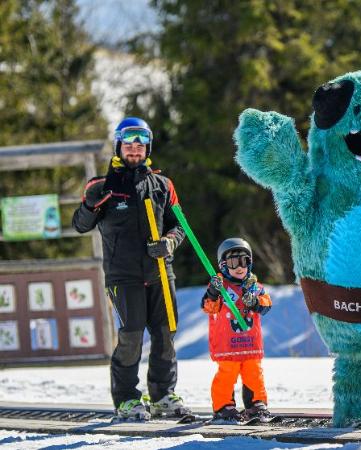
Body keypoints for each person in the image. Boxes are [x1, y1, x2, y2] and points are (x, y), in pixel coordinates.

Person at [72, 117, 188, 420]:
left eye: (140, 144)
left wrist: (169, 243)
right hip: (123, 276)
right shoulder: (103, 185)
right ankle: (126, 399)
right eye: (128, 144)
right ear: (119, 147)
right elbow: (81, 225)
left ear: (147, 147)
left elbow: (180, 227)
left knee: (165, 335)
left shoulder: (163, 185)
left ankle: (162, 395)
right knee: (132, 335)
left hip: (161, 271)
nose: (134, 149)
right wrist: (88, 206)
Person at [202, 238, 273, 422]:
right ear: (224, 265)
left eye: (244, 261)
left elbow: (266, 305)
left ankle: (256, 404)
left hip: (250, 343)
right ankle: (223, 406)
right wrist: (213, 292)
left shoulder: (254, 286)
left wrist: (255, 303)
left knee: (254, 374)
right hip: (228, 345)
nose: (239, 267)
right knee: (227, 374)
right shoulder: (220, 286)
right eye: (234, 263)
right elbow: (209, 307)